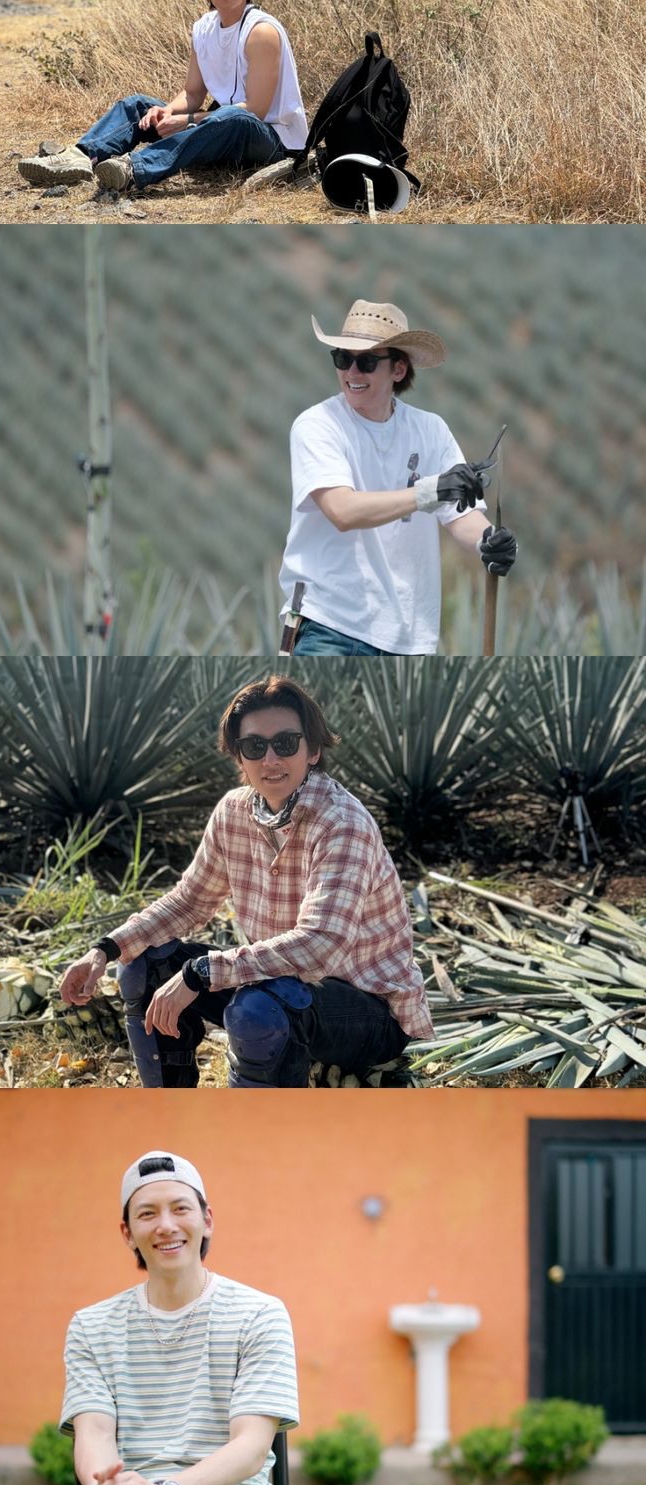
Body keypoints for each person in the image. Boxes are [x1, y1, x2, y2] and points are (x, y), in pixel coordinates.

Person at [59, 675, 434, 1088]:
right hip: (280, 987)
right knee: (145, 966)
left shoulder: (341, 824)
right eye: (255, 746)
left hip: (366, 1013)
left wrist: (202, 972)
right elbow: (189, 901)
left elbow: (320, 945)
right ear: (239, 758)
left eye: (286, 743)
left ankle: (255, 1141)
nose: (270, 758)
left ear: (312, 750)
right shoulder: (233, 813)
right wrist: (104, 950)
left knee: (257, 1010)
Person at [60, 1148, 298, 1485]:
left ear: (207, 1220)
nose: (166, 1225)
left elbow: (250, 1447)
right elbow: (95, 1435)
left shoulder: (259, 1313)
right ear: (127, 1233)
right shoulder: (91, 1326)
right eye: (147, 1213)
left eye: (181, 1208)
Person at [279, 298, 519, 656]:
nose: (351, 373)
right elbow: (343, 511)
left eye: (366, 362)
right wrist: (429, 491)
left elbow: (460, 514)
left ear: (398, 370)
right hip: (329, 624)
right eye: (342, 358)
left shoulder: (431, 430)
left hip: (409, 635)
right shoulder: (317, 426)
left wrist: (487, 540)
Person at [18, 0, 306, 195]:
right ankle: (80, 158)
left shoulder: (261, 31)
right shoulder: (203, 28)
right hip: (218, 130)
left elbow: (255, 110)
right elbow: (193, 93)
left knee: (233, 116)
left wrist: (188, 121)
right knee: (138, 106)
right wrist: (168, 112)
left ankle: (133, 170)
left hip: (271, 141)